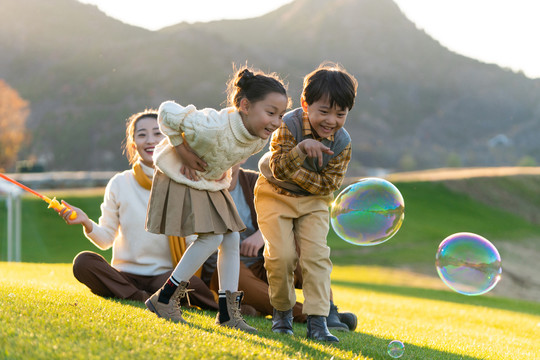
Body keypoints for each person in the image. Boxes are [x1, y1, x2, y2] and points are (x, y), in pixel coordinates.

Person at [144, 67, 289, 333]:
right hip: (180, 173)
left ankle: (227, 313)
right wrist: (182, 150)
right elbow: (166, 112)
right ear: (245, 105)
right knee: (211, 237)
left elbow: (230, 159)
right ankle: (164, 298)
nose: (276, 121)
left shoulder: (257, 138)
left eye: (280, 115)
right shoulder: (210, 126)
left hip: (208, 181)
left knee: (231, 237)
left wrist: (228, 170)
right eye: (271, 113)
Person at [58, 110, 218, 312]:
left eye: (157, 133)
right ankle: (144, 298)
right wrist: (86, 222)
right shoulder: (119, 183)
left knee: (191, 285)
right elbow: (106, 239)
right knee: (83, 262)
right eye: (142, 135)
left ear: (169, 141)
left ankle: (150, 295)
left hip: (165, 277)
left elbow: (192, 241)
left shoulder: (183, 182)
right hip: (125, 274)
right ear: (133, 144)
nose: (150, 140)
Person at [254, 62, 358, 342]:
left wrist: (297, 172)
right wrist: (300, 151)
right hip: (274, 194)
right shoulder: (288, 124)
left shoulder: (342, 143)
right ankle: (283, 314)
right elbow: (278, 170)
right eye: (324, 111)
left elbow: (328, 185)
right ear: (305, 104)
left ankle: (318, 322)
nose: (331, 121)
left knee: (316, 258)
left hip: (314, 202)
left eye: (340, 114)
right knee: (282, 256)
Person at [203, 161, 358, 332]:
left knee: (301, 245)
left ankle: (328, 307)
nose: (224, 160)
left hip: (263, 264)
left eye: (231, 154)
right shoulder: (203, 188)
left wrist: (262, 235)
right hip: (224, 273)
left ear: (242, 157)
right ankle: (317, 315)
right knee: (234, 277)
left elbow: (289, 212)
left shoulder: (254, 181)